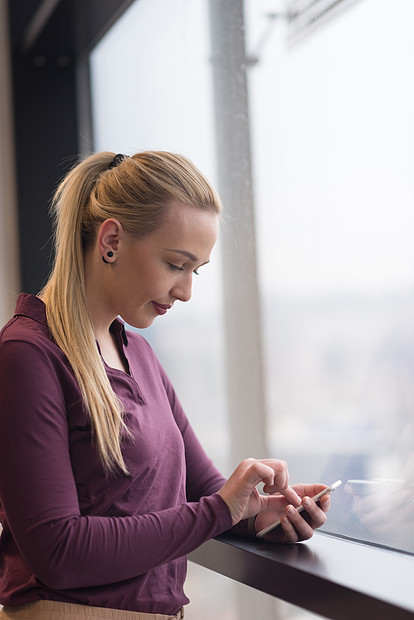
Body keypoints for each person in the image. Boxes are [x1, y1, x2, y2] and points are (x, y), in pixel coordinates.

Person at [0, 151, 331, 620]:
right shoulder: (27, 356)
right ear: (111, 240)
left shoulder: (138, 354)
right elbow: (58, 550)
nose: (186, 291)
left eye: (195, 270)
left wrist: (261, 515)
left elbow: (202, 491)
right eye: (176, 264)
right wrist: (222, 510)